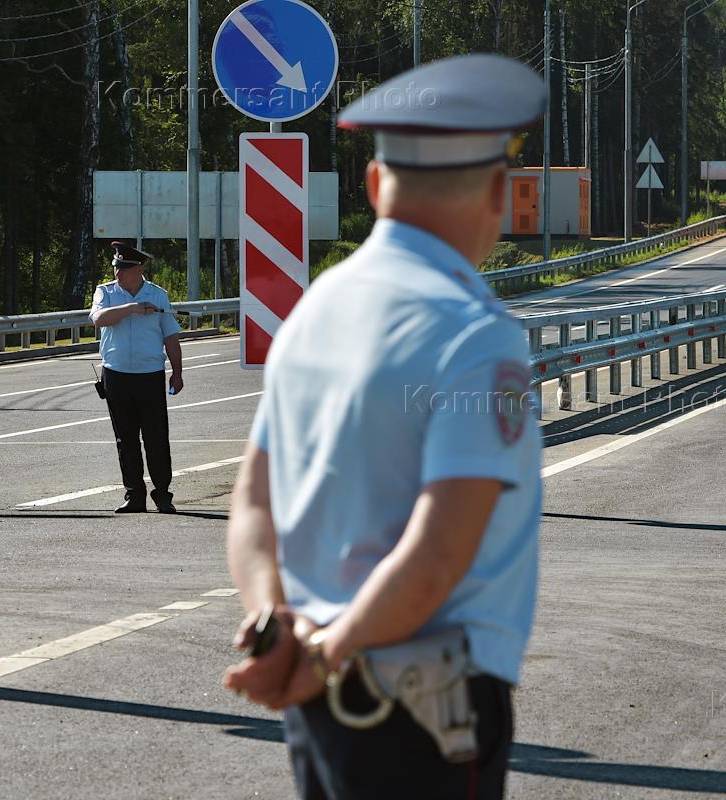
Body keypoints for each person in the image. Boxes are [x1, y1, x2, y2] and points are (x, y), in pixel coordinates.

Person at [223, 53, 546, 800]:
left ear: (374, 187)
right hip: (419, 706)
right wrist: (332, 652)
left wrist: (277, 625)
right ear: (500, 192)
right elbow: (435, 557)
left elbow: (252, 505)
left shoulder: (313, 311)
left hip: (318, 699)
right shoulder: (477, 333)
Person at [89, 242, 183, 514]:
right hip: (116, 375)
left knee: (156, 438)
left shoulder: (157, 295)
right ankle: (134, 495)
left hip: (150, 375)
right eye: (116, 267)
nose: (118, 272)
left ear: (139, 269)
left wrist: (177, 372)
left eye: (124, 268)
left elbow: (171, 336)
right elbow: (98, 319)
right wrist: (131, 308)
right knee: (126, 439)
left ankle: (163, 494)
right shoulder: (105, 292)